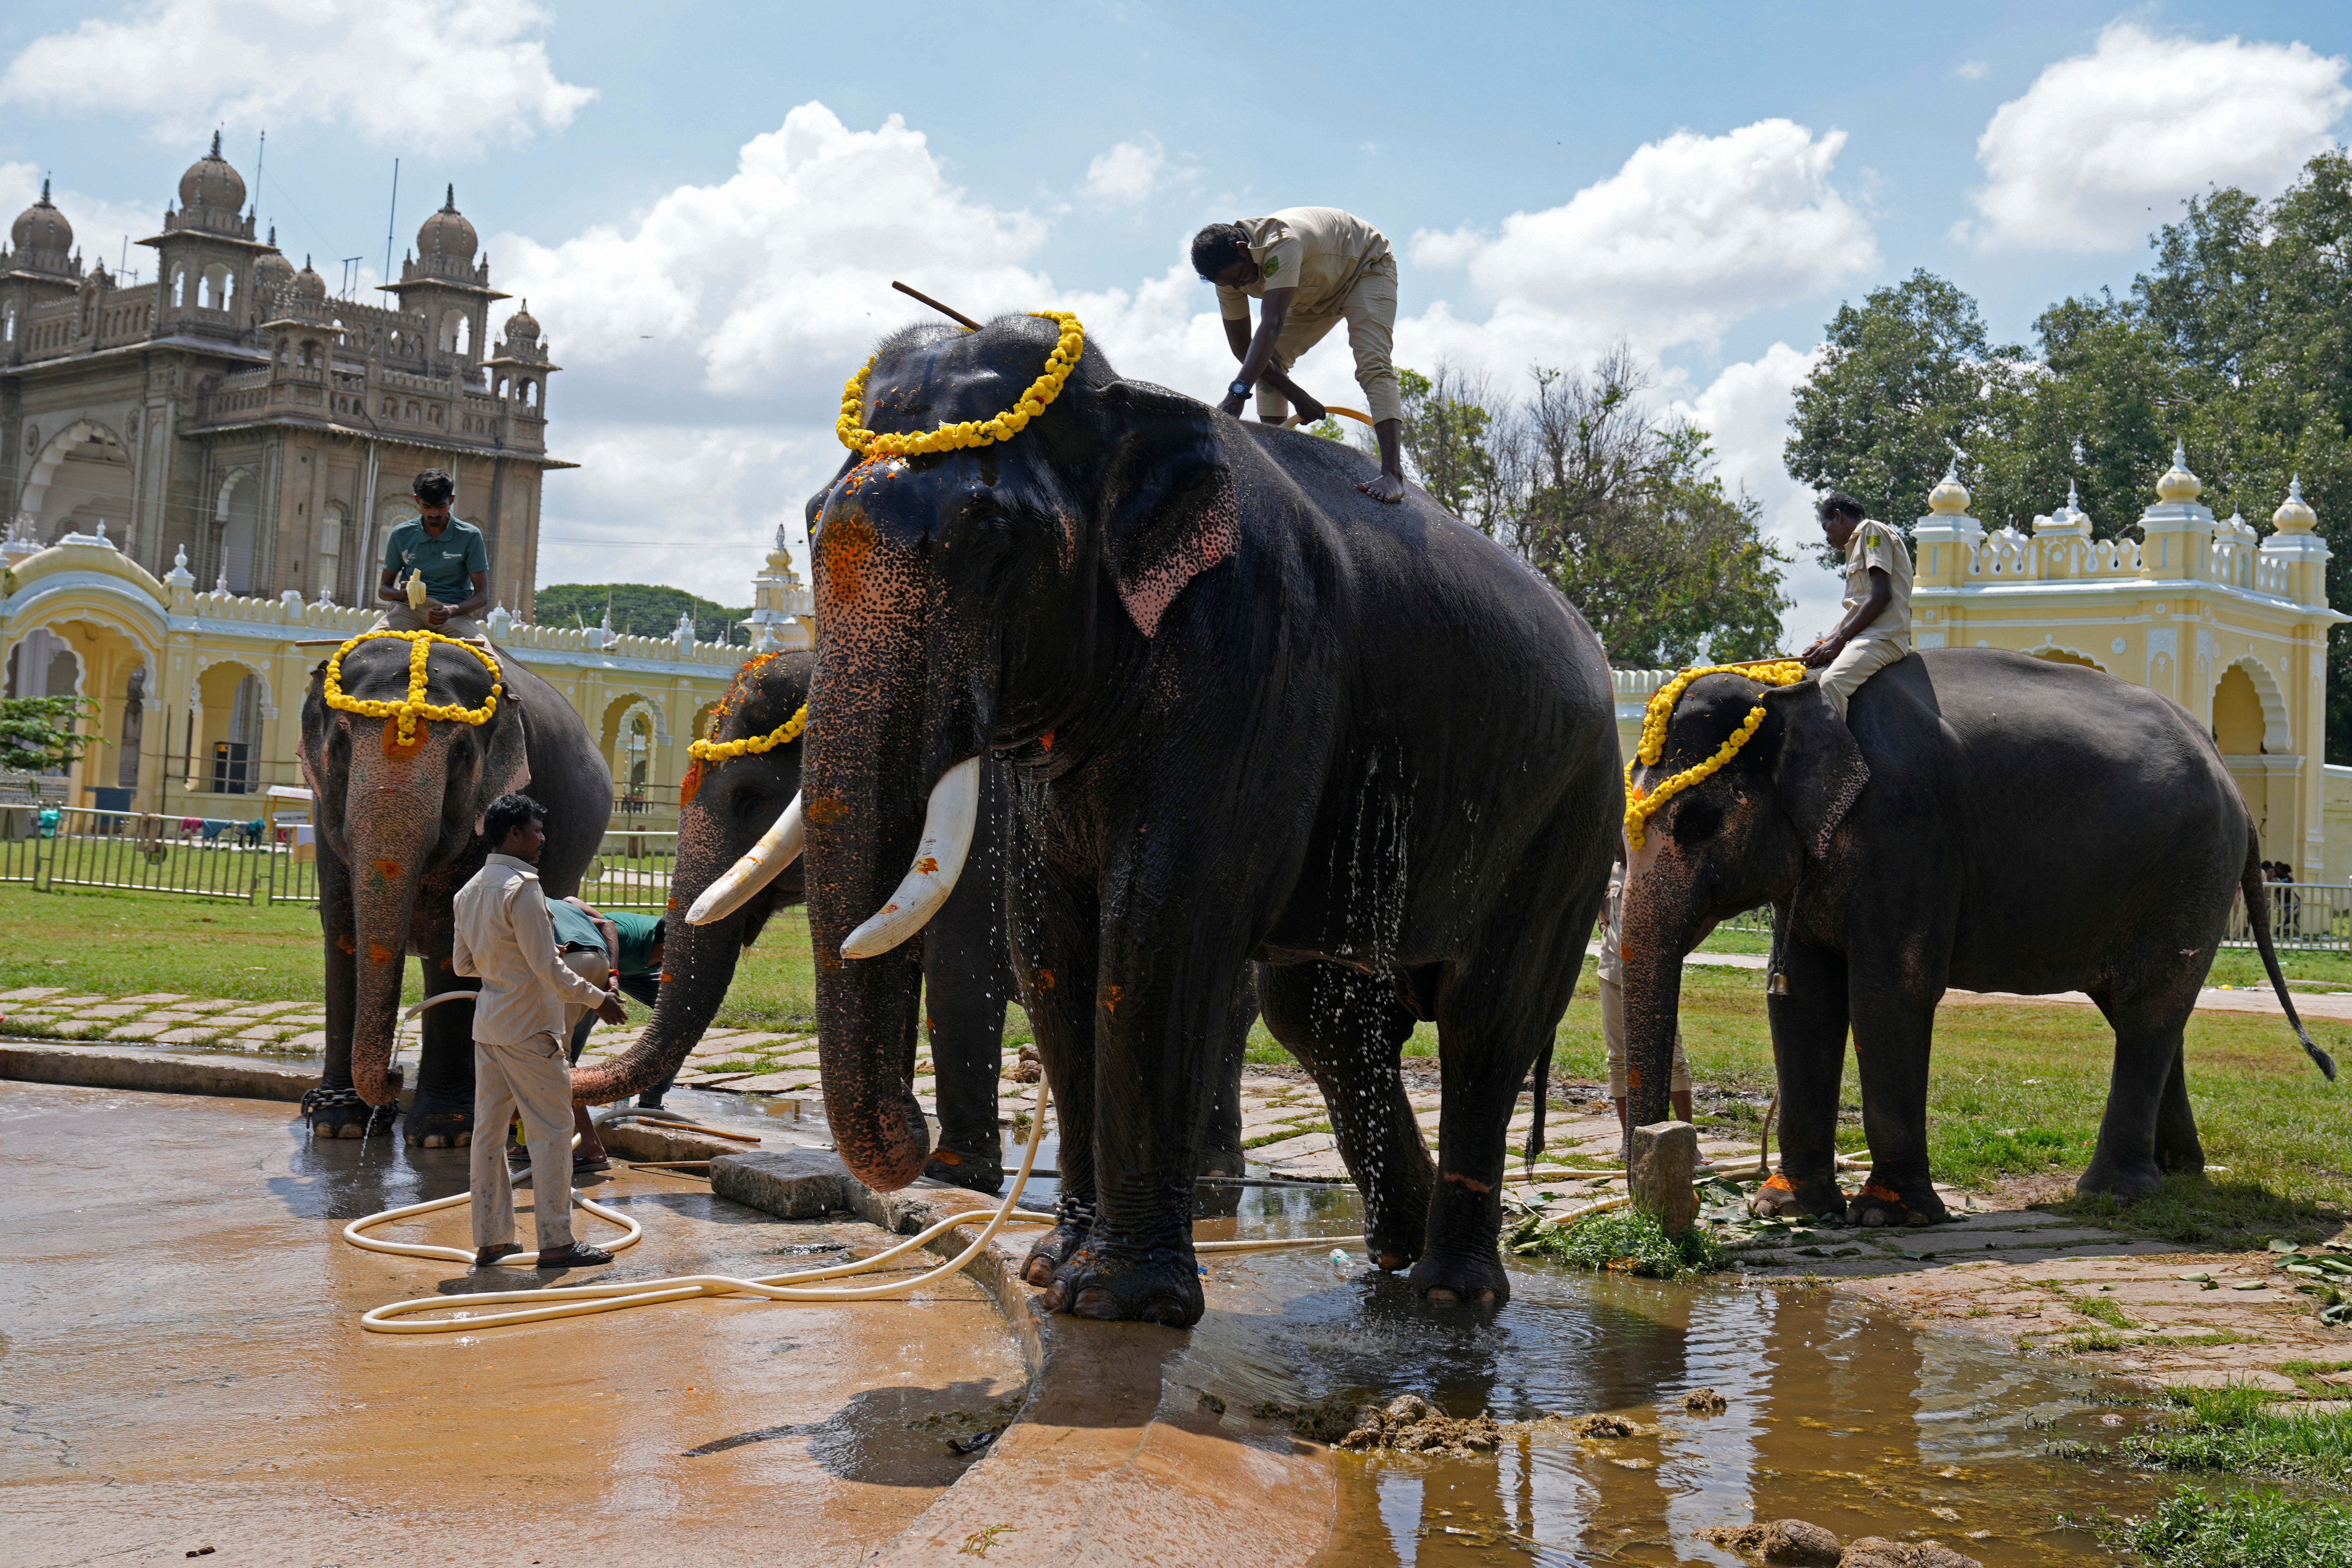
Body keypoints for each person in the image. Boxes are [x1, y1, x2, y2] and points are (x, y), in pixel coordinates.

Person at [453, 792, 627, 1270]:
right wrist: (599, 1000)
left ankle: (491, 1239)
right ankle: (556, 1242)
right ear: (513, 834)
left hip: (490, 1026)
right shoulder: (522, 887)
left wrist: (503, 962)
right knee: (551, 1133)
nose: (542, 839)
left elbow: (464, 964)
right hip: (531, 1028)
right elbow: (548, 967)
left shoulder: (467, 892)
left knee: (488, 1135)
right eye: (535, 831)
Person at [1191, 209, 1408, 502]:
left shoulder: (1281, 242)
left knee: (1373, 364)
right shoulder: (1229, 279)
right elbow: (1243, 349)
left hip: (1364, 269)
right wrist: (1298, 396)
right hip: (1312, 291)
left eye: (1240, 277)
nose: (1239, 287)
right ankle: (1275, 464)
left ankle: (1393, 475)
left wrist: (1238, 392)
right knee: (1269, 362)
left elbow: (1272, 323)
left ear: (1244, 251)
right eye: (1231, 285)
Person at [1598, 847, 1691, 1136]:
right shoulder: (1606, 870)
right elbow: (1603, 912)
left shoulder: (1657, 866)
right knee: (1619, 1057)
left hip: (1653, 977)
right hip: (1612, 973)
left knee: (1672, 1056)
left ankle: (1687, 1138)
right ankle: (1630, 1139)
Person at [1801, 491, 1913, 721]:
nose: (1827, 538)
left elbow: (1881, 595)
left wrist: (1838, 641)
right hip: (1861, 637)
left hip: (1882, 638)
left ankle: (1834, 757)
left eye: (1826, 527)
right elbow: (1858, 608)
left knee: (1829, 686)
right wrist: (1825, 642)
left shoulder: (1872, 532)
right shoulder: (1856, 548)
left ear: (1838, 516)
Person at [557, 897, 674, 1106]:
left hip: (634, 972)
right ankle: (566, 1081)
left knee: (680, 1020)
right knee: (582, 1019)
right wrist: (612, 976)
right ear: (667, 948)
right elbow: (573, 902)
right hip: (603, 964)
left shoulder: (668, 954)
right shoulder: (625, 937)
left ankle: (652, 1100)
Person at [376, 468, 491, 640]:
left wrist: (453, 611)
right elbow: (383, 589)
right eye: (427, 507)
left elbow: (482, 596)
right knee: (362, 649)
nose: (434, 514)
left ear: (451, 500)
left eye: (441, 506)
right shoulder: (401, 534)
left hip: (454, 615)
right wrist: (401, 594)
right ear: (418, 500)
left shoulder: (470, 536)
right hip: (408, 611)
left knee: (491, 662)